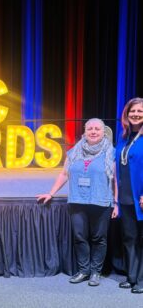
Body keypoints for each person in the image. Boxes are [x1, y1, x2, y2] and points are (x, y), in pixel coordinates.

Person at [37, 118, 118, 286]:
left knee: (98, 238)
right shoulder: (74, 151)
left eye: (97, 129)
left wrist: (116, 203)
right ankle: (83, 271)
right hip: (77, 201)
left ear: (104, 132)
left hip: (101, 202)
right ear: (85, 131)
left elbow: (115, 180)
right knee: (80, 237)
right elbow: (64, 174)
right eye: (90, 129)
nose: (93, 132)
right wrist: (51, 193)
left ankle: (96, 272)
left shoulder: (111, 153)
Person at [116, 97, 143, 294]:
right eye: (133, 111)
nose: (136, 114)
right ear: (127, 113)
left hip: (141, 198)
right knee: (130, 238)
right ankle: (131, 276)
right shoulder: (123, 136)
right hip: (125, 198)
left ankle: (141, 280)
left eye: (140, 111)